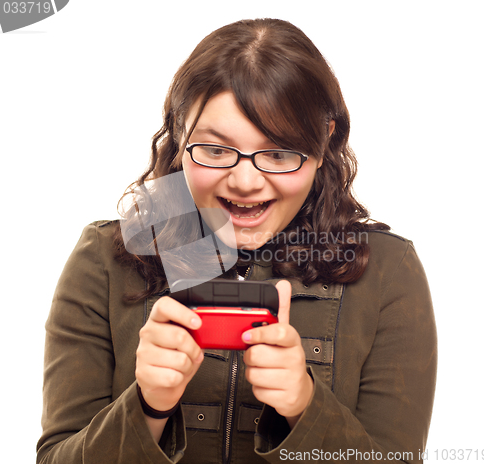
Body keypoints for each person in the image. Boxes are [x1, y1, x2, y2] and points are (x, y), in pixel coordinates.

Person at [37, 18, 437, 464]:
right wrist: (147, 406)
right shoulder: (106, 258)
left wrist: (305, 406)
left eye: (280, 152)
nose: (245, 182)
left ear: (322, 143)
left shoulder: (387, 271)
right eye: (215, 149)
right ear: (178, 132)